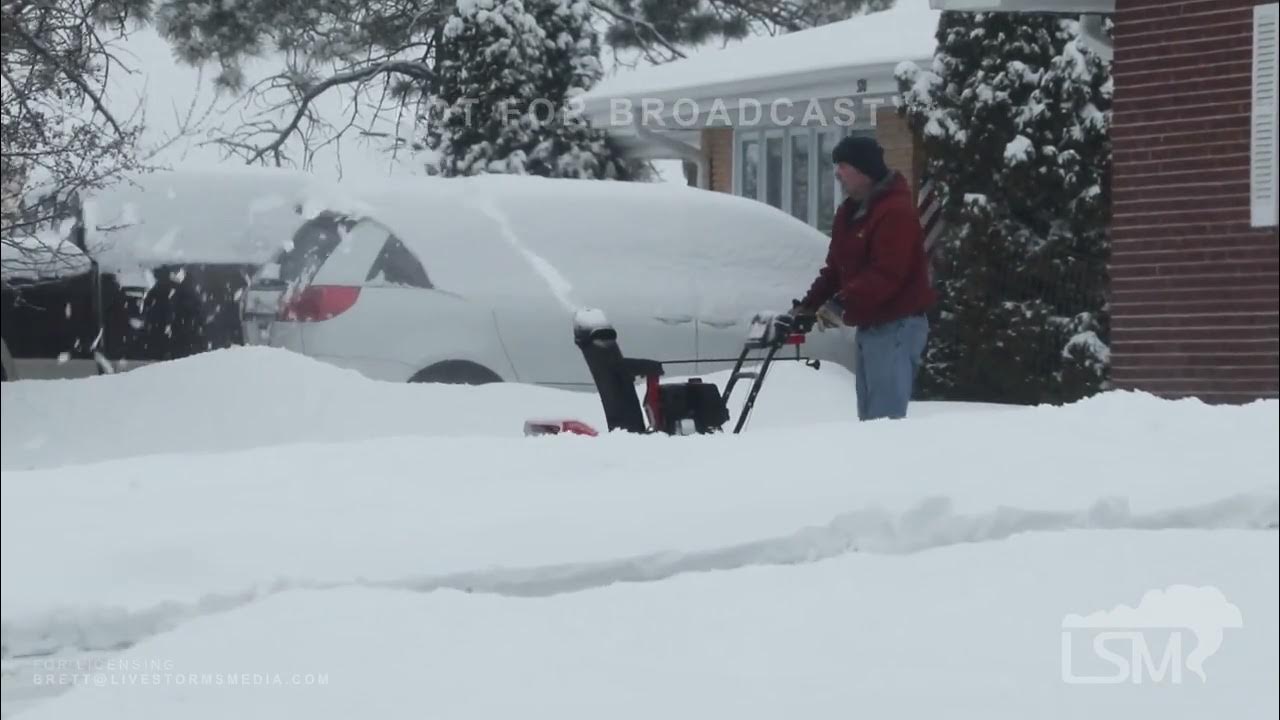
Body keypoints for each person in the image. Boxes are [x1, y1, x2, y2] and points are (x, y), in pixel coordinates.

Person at [794, 135, 937, 421]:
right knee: (869, 417)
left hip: (897, 325)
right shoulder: (849, 213)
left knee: (885, 419)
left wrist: (839, 305)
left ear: (864, 170)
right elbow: (835, 270)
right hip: (870, 325)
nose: (837, 173)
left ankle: (889, 464)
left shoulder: (895, 211)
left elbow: (886, 274)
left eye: (843, 166)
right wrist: (807, 307)